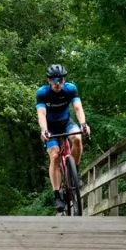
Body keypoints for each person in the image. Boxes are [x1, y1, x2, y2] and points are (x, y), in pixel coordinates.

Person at [36, 64, 91, 213]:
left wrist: (83, 124)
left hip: (67, 123)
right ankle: (56, 195)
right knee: (54, 155)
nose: (57, 83)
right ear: (48, 80)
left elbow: (78, 108)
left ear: (64, 79)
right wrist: (44, 130)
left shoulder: (70, 89)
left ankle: (74, 172)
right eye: (54, 80)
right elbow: (41, 113)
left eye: (60, 79)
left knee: (77, 138)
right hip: (51, 127)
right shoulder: (42, 93)